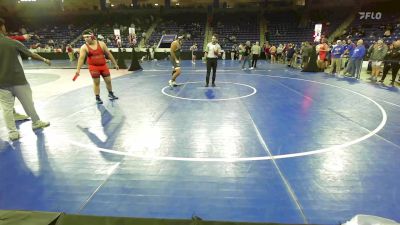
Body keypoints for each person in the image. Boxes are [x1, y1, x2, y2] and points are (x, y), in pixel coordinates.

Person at [0, 18, 51, 141]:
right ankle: (36, 122)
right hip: (18, 81)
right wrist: (44, 60)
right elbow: (31, 54)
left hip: (1, 84)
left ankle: (12, 133)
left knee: (7, 108)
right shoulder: (11, 42)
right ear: (2, 27)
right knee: (28, 103)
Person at [75, 29, 119, 104]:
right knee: (96, 83)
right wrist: (78, 69)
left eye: (87, 37)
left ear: (92, 36)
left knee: (108, 81)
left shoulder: (101, 44)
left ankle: (110, 93)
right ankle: (97, 97)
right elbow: (81, 59)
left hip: (103, 66)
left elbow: (108, 54)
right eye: (84, 37)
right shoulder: (84, 47)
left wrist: (115, 64)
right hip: (94, 67)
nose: (86, 39)